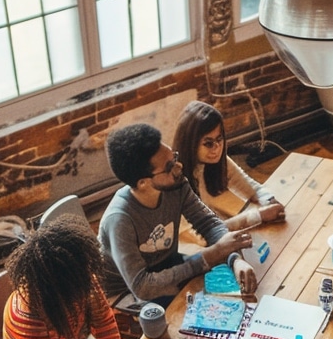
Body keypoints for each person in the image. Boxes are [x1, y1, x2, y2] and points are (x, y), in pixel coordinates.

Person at [99, 122, 257, 306]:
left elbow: (208, 223)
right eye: (169, 167)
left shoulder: (176, 185)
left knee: (224, 293)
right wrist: (211, 255)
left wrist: (234, 259)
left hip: (165, 266)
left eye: (174, 157)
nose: (179, 166)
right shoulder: (119, 220)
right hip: (125, 294)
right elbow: (142, 286)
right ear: (143, 183)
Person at [173, 100, 286, 230]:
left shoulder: (217, 161)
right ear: (190, 144)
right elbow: (204, 235)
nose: (217, 148)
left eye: (219, 139)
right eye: (208, 143)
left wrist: (269, 200)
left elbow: (250, 187)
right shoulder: (176, 181)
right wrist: (258, 216)